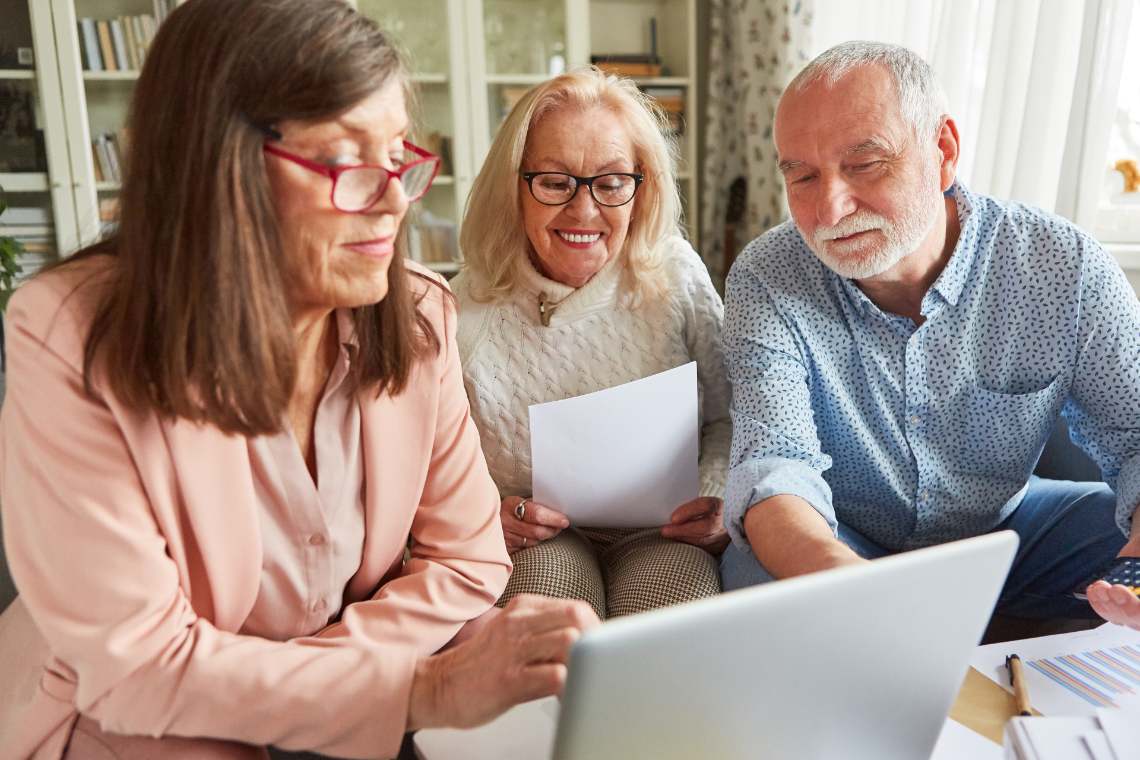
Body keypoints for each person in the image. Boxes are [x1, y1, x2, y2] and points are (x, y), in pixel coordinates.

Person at [0, 2, 597, 758]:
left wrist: (331, 693)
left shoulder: (416, 313)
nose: (393, 200)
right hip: (126, 731)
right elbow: (140, 667)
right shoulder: (66, 334)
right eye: (349, 164)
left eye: (399, 157)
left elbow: (468, 559)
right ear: (215, 166)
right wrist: (417, 690)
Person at [720, 41, 1140, 631]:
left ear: (943, 151)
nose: (830, 209)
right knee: (758, 580)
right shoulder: (767, 277)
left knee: (1112, 528)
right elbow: (773, 466)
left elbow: (1136, 433)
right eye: (804, 177)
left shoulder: (1061, 265)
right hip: (844, 536)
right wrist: (847, 582)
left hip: (1009, 533)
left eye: (864, 165)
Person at [451, 67, 732, 621]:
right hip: (538, 541)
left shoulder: (675, 274)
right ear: (514, 187)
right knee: (547, 639)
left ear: (640, 185)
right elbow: (435, 466)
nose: (584, 212)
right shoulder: (461, 309)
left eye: (610, 183)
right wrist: (485, 513)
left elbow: (729, 416)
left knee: (672, 634)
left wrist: (715, 495)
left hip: (664, 530)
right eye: (555, 183)